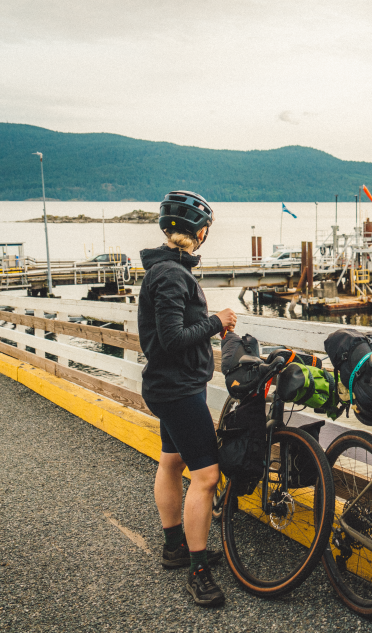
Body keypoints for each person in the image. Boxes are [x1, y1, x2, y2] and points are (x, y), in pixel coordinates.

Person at [138, 190, 237, 607]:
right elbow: (173, 338)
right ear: (200, 233)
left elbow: (166, 335)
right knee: (207, 476)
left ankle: (175, 547)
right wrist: (219, 321)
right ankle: (198, 571)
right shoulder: (172, 275)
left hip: (168, 386)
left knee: (172, 461)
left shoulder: (166, 270)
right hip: (177, 390)